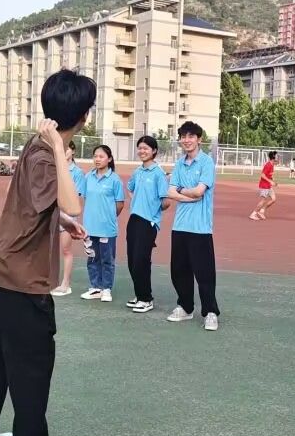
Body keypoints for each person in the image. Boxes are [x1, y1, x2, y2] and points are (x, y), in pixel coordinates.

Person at [0, 69, 95, 436]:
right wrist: (60, 148)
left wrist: (63, 221)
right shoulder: (46, 153)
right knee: (32, 372)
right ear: (85, 116)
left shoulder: (35, 144)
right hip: (21, 281)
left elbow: (40, 203)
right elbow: (73, 199)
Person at [166, 121, 219, 331]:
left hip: (200, 228)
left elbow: (199, 191)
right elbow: (171, 192)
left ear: (199, 139)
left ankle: (210, 312)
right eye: (183, 136)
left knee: (204, 273)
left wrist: (182, 191)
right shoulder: (179, 164)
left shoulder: (206, 162)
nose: (186, 140)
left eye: (191, 136)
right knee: (179, 270)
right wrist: (187, 194)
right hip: (180, 226)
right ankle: (185, 307)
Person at [124, 135, 171, 313]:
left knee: (141, 260)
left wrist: (152, 209)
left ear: (154, 151)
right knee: (132, 260)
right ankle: (139, 295)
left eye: (146, 148)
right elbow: (130, 188)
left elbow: (166, 201)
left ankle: (146, 298)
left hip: (148, 222)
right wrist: (137, 201)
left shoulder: (158, 173)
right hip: (134, 219)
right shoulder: (138, 172)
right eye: (140, 148)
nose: (142, 151)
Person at [79, 145, 125, 303]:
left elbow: (120, 204)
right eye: (95, 156)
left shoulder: (115, 180)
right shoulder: (88, 177)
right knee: (92, 258)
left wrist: (108, 217)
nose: (97, 159)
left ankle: (106, 289)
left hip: (107, 228)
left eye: (101, 156)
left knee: (107, 260)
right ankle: (95, 287)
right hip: (89, 227)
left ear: (109, 159)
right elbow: (86, 199)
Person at [52, 141, 85, 297]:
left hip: (68, 216)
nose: (65, 151)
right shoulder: (53, 168)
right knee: (49, 249)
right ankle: (49, 281)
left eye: (68, 149)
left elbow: (75, 196)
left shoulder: (77, 173)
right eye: (62, 148)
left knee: (66, 249)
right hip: (52, 213)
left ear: (73, 151)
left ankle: (66, 284)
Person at [249, 151, 278, 220]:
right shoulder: (268, 165)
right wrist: (270, 181)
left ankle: (262, 211)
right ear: (273, 157)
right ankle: (253, 214)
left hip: (268, 185)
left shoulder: (272, 165)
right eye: (277, 156)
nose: (278, 157)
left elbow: (268, 175)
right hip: (264, 185)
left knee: (273, 199)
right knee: (263, 200)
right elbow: (262, 175)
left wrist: (272, 180)